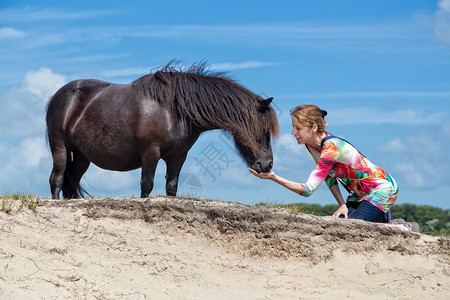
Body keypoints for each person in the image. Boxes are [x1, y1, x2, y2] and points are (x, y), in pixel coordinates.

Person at [249, 104, 419, 232]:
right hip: (360, 194)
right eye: (293, 127)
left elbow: (307, 190)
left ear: (314, 127)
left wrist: (274, 178)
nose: (293, 132)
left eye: (298, 128)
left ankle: (403, 228)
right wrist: (342, 205)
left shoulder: (331, 148)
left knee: (353, 229)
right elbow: (329, 177)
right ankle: (386, 221)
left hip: (382, 189)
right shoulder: (312, 146)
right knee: (339, 225)